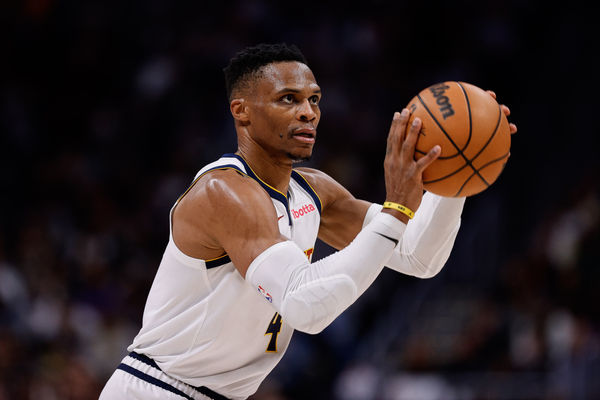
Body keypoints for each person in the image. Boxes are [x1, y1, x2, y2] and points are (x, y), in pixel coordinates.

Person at [99, 43, 517, 400]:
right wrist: (396, 209)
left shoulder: (312, 191)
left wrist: (457, 178)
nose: (308, 112)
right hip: (156, 388)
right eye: (288, 99)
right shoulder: (223, 192)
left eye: (314, 99)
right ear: (241, 111)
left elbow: (418, 256)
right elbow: (304, 307)